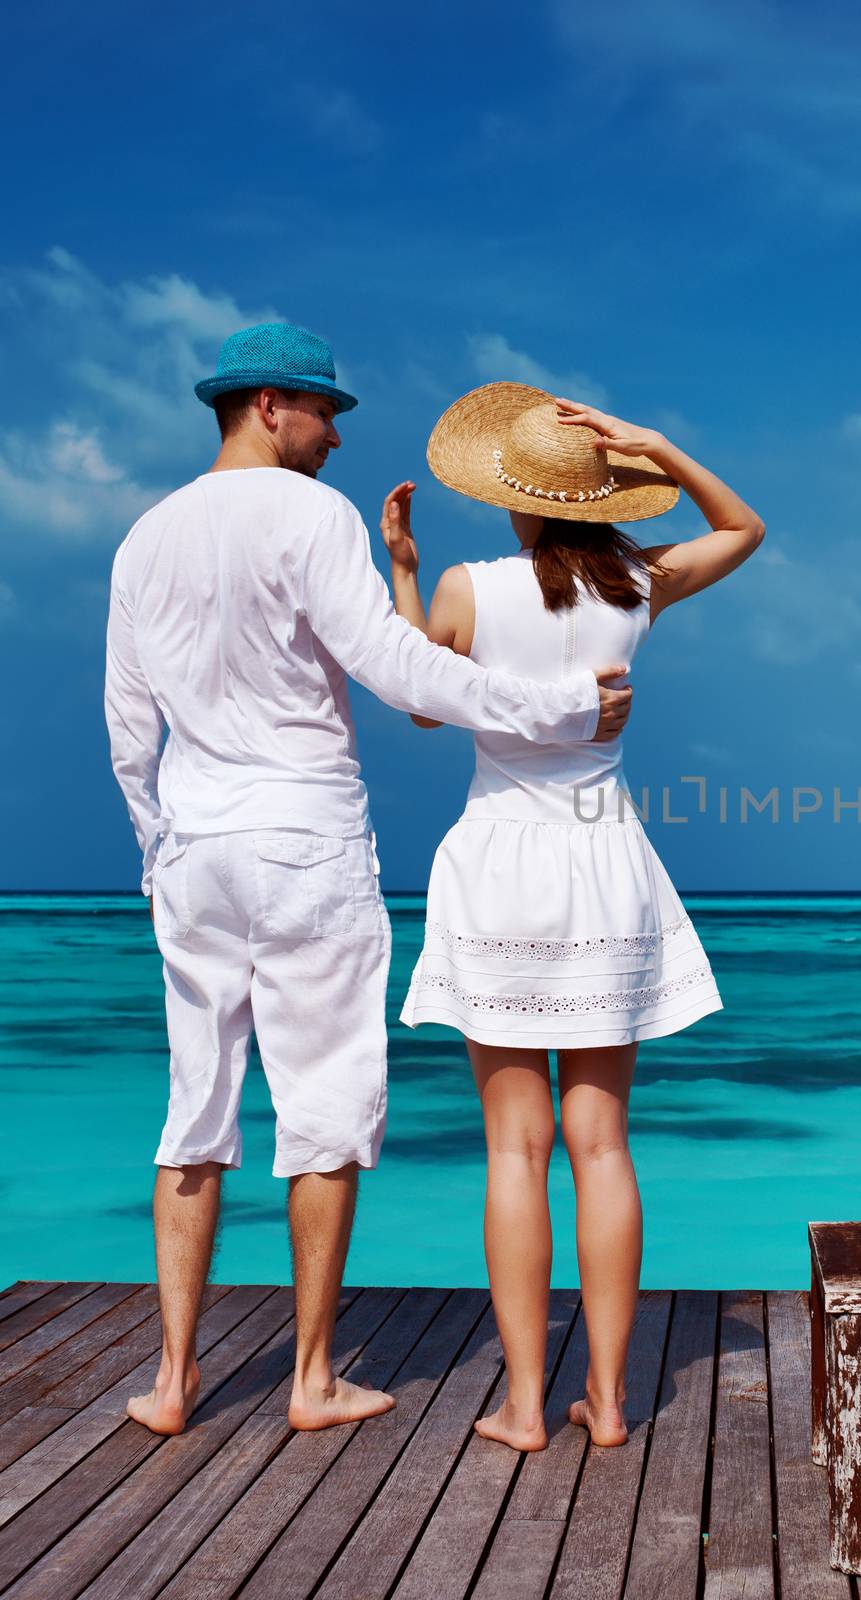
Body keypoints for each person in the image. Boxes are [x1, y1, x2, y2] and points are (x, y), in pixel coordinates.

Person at [103, 324, 635, 1438]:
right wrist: (564, 707)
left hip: (194, 846)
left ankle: (168, 1381)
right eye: (324, 411)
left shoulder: (144, 536)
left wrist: (158, 844)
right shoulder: (308, 516)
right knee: (325, 1108)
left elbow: (126, 724)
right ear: (266, 407)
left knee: (193, 1107)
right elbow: (395, 666)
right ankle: (309, 1379)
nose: (338, 434)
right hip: (303, 837)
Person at [383, 380, 762, 1450]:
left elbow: (421, 697)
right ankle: (607, 1396)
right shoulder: (638, 582)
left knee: (516, 1147)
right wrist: (660, 442)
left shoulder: (470, 585)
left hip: (501, 862)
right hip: (604, 863)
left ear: (513, 496)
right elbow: (743, 527)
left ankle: (520, 1404)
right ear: (603, 499)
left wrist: (405, 579)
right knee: (602, 1144)